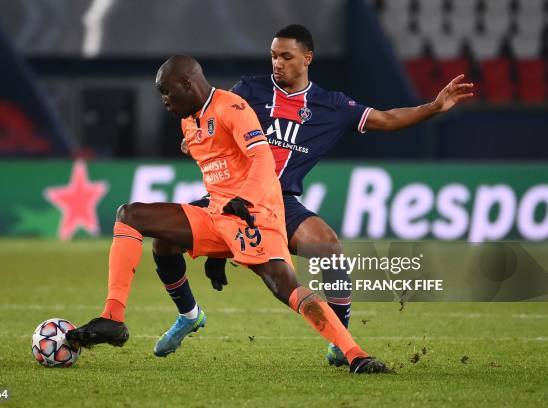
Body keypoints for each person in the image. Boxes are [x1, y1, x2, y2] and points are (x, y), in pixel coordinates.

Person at [151, 25, 474, 365]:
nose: (278, 63)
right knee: (163, 241)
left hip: (279, 202)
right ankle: (188, 314)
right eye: (274, 55)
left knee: (329, 247)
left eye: (287, 57)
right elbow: (210, 116)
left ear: (307, 58)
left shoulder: (331, 106)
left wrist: (434, 107)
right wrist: (194, 140)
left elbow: (388, 118)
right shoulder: (249, 90)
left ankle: (340, 341)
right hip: (231, 195)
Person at [66, 55, 390, 374]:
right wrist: (217, 249)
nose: (164, 100)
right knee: (133, 217)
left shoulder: (232, 107)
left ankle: (355, 353)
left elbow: (262, 159)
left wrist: (244, 199)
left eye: (166, 91)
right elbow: (219, 171)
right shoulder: (188, 121)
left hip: (254, 214)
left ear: (186, 83)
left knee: (283, 285)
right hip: (216, 213)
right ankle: (116, 318)